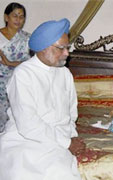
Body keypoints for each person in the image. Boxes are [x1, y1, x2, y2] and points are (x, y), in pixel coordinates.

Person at [0, 18, 85, 180]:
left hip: (59, 138)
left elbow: (71, 113)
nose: (67, 53)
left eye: (67, 47)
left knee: (63, 170)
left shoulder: (65, 74)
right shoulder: (23, 74)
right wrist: (66, 143)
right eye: (61, 48)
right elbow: (28, 125)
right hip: (24, 140)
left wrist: (71, 137)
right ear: (42, 48)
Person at [0, 2, 31, 132]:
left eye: (21, 16)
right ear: (6, 17)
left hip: (18, 83)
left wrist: (10, 63)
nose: (18, 20)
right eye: (15, 16)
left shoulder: (28, 39)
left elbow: (32, 63)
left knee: (14, 120)